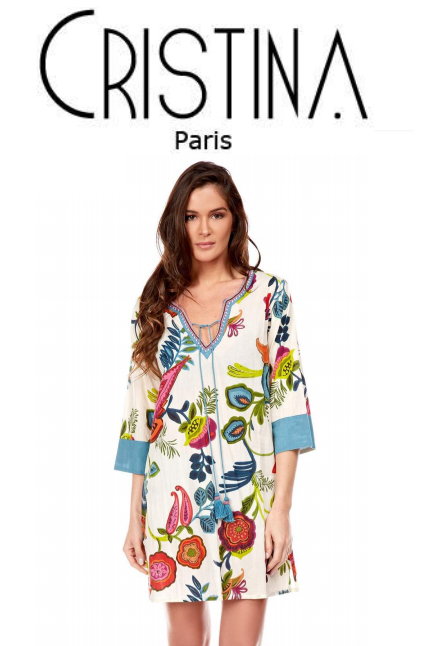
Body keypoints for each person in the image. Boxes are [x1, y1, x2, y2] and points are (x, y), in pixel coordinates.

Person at [114, 161, 316, 646]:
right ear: (177, 223)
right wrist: (134, 517)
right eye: (191, 216)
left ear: (234, 219)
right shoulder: (154, 306)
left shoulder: (269, 296)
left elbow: (288, 403)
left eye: (216, 214)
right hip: (172, 504)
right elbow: (140, 417)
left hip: (251, 504)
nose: (203, 229)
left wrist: (281, 510)